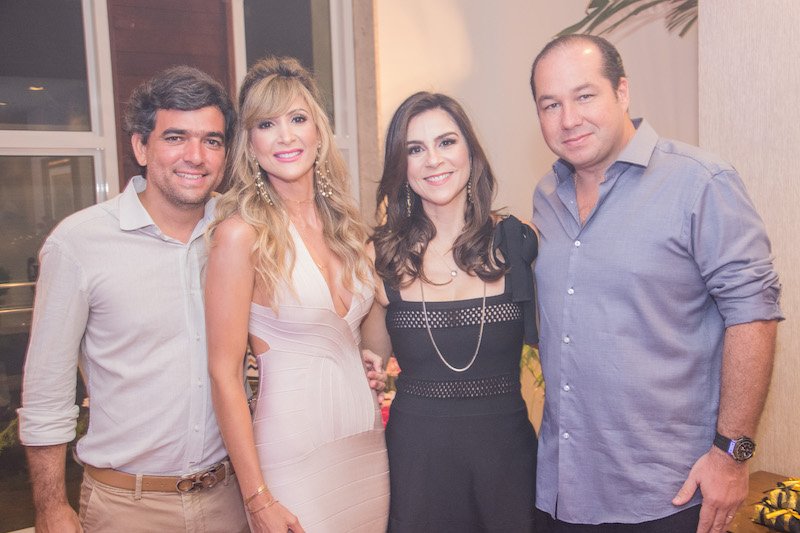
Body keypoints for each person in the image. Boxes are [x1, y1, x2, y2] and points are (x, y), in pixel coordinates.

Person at [529, 34, 783, 533]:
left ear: (622, 92)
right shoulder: (546, 196)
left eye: (585, 96)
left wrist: (732, 455)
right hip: (564, 488)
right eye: (550, 104)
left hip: (670, 493)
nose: (568, 119)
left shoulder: (700, 182)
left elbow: (754, 316)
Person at [18, 66, 249, 532]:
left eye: (212, 140)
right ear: (141, 146)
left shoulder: (240, 234)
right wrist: (50, 506)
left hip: (231, 498)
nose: (195, 156)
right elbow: (46, 394)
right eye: (175, 137)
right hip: (127, 507)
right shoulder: (79, 243)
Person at [205, 56, 389, 533]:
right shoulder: (240, 235)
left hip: (366, 451)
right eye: (266, 124)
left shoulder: (348, 229)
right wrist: (257, 498)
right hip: (292, 460)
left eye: (298, 118)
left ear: (319, 133)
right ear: (250, 144)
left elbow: (368, 341)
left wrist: (372, 349)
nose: (285, 136)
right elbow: (224, 374)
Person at [361, 91, 539, 532]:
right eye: (414, 149)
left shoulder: (519, 243)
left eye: (446, 142)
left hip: (507, 466)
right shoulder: (378, 257)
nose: (433, 160)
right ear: (401, 166)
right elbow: (369, 366)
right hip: (416, 468)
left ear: (470, 152)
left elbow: (564, 354)